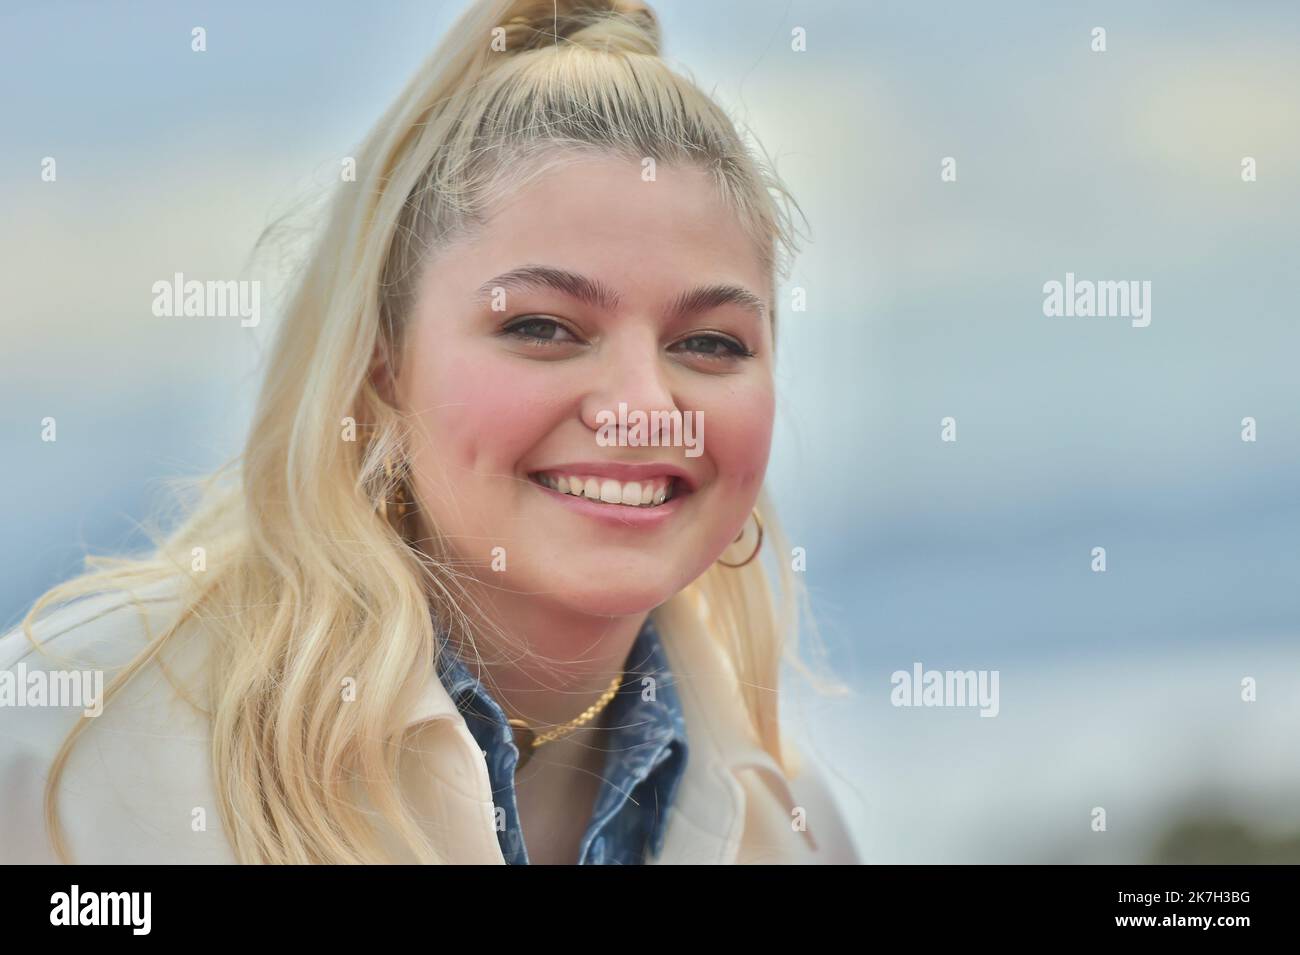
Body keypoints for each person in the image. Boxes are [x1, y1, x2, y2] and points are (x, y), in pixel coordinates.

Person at [0, 0, 860, 865]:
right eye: (543, 327)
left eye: (709, 342)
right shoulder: (74, 744)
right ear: (381, 366)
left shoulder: (796, 830)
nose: (641, 407)